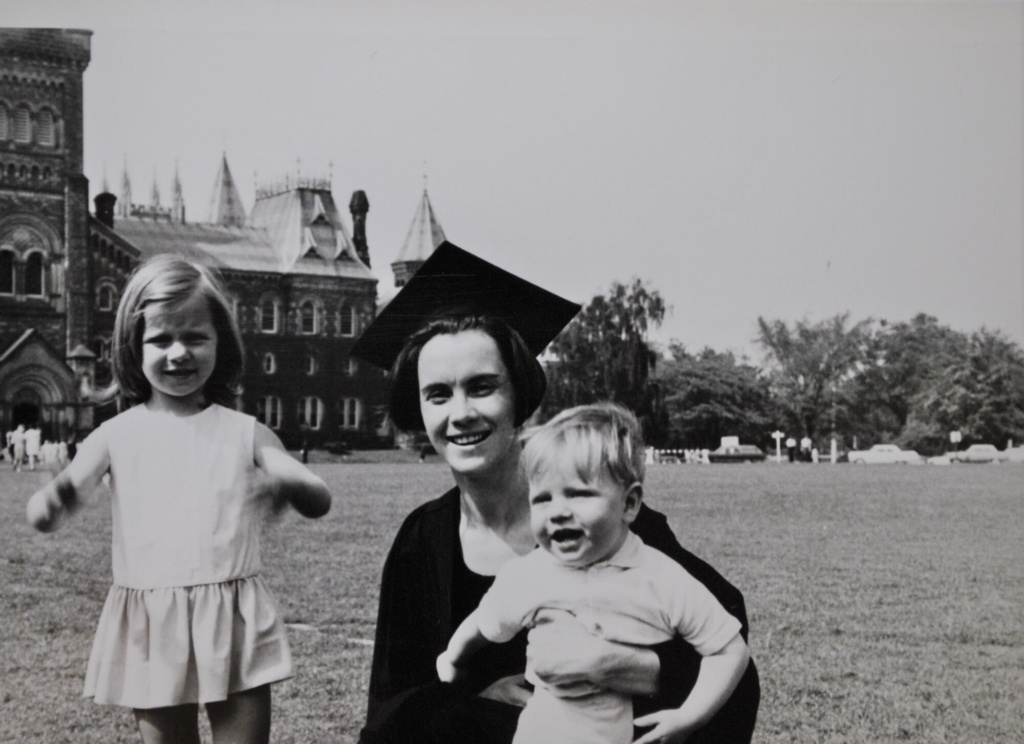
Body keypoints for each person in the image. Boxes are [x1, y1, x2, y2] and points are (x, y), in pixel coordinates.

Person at [351, 242, 759, 744]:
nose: (460, 414)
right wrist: (475, 699)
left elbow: (728, 653)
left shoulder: (599, 515)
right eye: (438, 394)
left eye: (482, 387)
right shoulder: (423, 539)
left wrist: (622, 667)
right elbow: (395, 703)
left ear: (518, 393)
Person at [25, 254, 332, 744]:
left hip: (232, 616)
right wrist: (56, 494)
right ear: (133, 345)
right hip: (153, 623)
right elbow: (45, 513)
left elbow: (317, 497)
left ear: (220, 342)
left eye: (195, 337)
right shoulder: (114, 435)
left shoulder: (245, 432)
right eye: (160, 339)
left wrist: (291, 484)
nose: (178, 353)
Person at [437, 403, 750, 744]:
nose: (558, 512)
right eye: (542, 499)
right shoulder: (530, 574)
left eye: (578, 494)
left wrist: (689, 717)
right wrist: (452, 661)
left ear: (629, 504)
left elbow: (728, 649)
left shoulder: (660, 577)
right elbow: (484, 622)